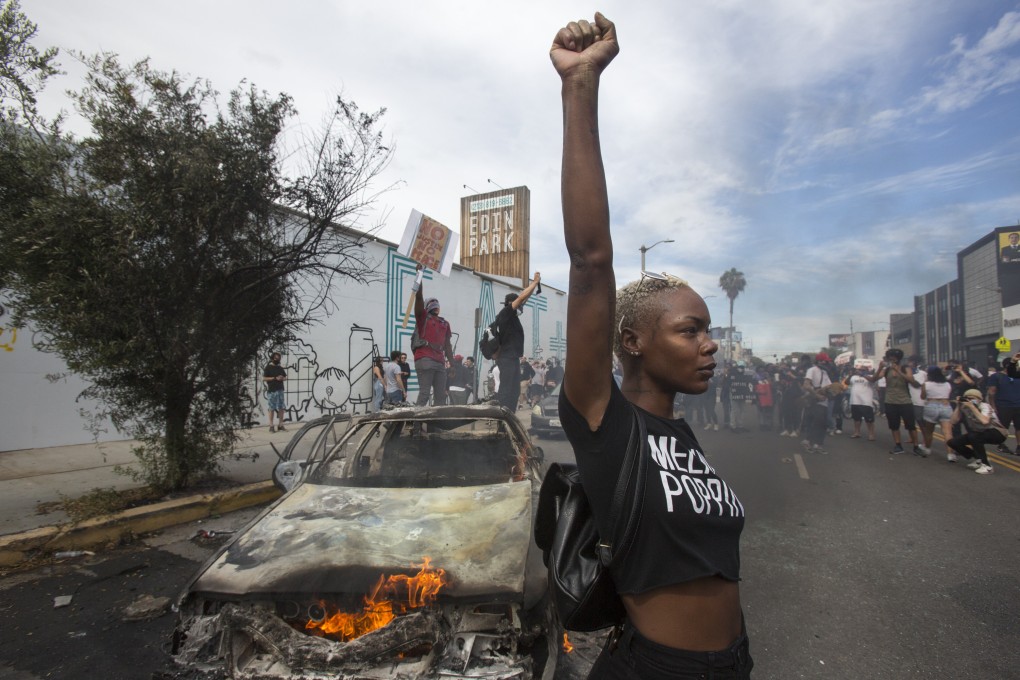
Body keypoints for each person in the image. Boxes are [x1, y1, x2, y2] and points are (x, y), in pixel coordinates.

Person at [552, 13, 752, 679]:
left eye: (709, 332)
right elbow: (589, 259)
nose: (709, 347)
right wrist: (580, 88)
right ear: (632, 340)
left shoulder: (683, 435)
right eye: (690, 330)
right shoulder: (607, 422)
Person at [489, 274, 542, 411]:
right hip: (506, 358)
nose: (521, 308)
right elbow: (521, 298)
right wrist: (534, 283)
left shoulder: (512, 317)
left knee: (514, 391)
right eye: (519, 305)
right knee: (506, 390)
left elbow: (523, 299)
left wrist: (534, 285)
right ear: (511, 304)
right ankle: (503, 419)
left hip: (513, 358)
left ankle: (510, 417)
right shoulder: (505, 313)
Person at [412, 267, 455, 407]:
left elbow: (447, 345)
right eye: (432, 303)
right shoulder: (422, 317)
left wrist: (452, 364)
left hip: (439, 361)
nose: (436, 306)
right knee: (424, 393)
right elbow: (418, 297)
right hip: (425, 358)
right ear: (427, 307)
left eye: (437, 304)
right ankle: (415, 425)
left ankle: (435, 427)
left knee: (441, 396)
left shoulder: (444, 323)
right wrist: (419, 275)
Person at [875, 348, 922, 455]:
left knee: (911, 425)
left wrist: (898, 371)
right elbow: (875, 379)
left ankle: (916, 446)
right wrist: (879, 368)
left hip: (905, 401)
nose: (892, 360)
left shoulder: (906, 368)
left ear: (898, 359)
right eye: (890, 358)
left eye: (894, 358)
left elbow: (911, 380)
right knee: (894, 425)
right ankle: (898, 445)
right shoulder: (887, 370)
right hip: (890, 401)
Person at [947, 389, 1003, 474]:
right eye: (967, 398)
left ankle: (987, 466)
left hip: (997, 433)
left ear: (980, 399)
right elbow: (953, 421)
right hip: (979, 433)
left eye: (973, 398)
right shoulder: (965, 407)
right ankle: (979, 458)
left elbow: (984, 421)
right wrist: (958, 406)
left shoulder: (985, 406)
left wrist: (972, 407)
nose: (970, 400)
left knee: (974, 436)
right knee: (952, 442)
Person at [985, 355, 1020, 455]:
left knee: (1018, 427)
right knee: (1003, 427)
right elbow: (991, 392)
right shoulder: (996, 376)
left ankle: (1018, 447)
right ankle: (1001, 445)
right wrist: (993, 406)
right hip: (1003, 406)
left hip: (1018, 405)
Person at [919, 365, 953, 459]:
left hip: (931, 405)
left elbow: (922, 396)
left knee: (929, 431)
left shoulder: (926, 384)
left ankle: (927, 449)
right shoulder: (947, 384)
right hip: (945, 405)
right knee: (947, 432)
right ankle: (950, 454)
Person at [844, 366, 878, 441]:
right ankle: (857, 432)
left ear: (867, 370)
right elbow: (846, 382)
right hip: (855, 401)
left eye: (863, 370)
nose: (860, 371)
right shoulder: (854, 377)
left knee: (869, 419)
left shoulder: (870, 377)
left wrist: (863, 374)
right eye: (859, 370)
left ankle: (871, 434)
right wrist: (851, 374)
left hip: (866, 401)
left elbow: (873, 380)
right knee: (856, 418)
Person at [263, 351, 287, 433]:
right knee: (271, 408)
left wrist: (282, 378)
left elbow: (285, 377)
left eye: (279, 358)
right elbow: (264, 378)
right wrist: (274, 378)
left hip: (280, 389)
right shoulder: (268, 368)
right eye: (276, 358)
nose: (277, 359)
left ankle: (280, 425)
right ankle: (271, 426)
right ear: (272, 358)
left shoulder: (280, 368)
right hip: (272, 390)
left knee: (281, 407)